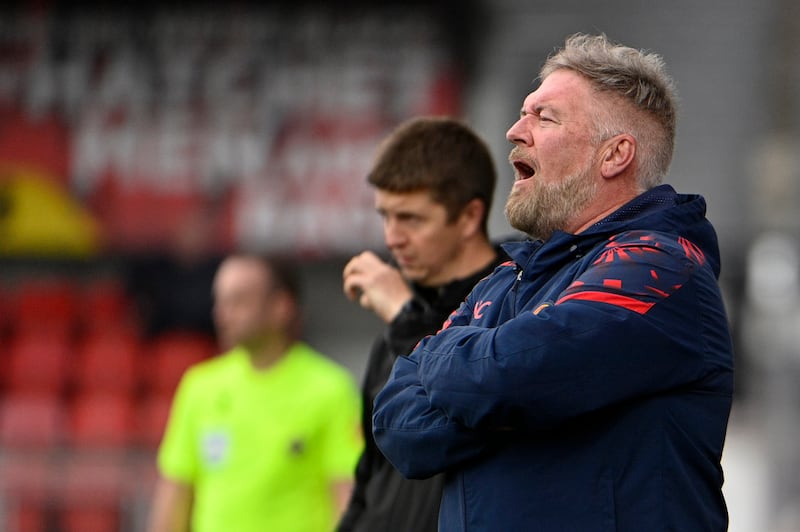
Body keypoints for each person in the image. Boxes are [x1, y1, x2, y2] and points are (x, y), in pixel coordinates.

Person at [372, 33, 735, 531]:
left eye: (544, 117)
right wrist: (509, 396)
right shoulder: (502, 282)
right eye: (524, 113)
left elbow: (508, 376)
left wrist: (441, 358)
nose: (514, 131)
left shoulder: (662, 269)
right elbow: (398, 427)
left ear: (615, 155)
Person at [339, 116, 508, 532]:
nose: (392, 238)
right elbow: (371, 476)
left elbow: (465, 416)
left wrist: (406, 318)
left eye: (411, 219)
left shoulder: (515, 303)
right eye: (386, 216)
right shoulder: (404, 318)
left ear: (469, 217)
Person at [147, 253, 363, 532]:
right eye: (221, 300)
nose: (222, 313)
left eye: (239, 301)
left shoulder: (330, 390)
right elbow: (174, 497)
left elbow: (345, 498)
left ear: (281, 307)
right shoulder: (199, 386)